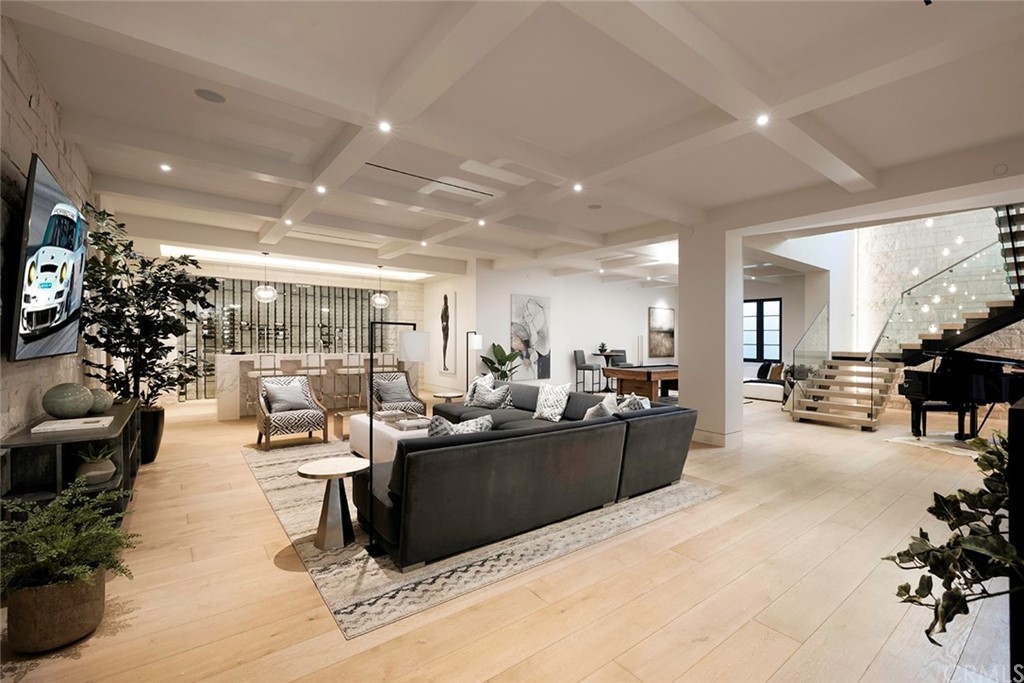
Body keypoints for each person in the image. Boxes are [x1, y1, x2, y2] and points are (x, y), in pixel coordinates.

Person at [440, 294, 450, 372]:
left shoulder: (444, 307)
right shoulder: (445, 307)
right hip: (445, 327)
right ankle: (444, 364)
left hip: (444, 326)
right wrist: (445, 323)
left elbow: (441, 317)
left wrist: (443, 323)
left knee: (445, 343)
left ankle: (444, 364)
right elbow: (443, 317)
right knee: (445, 343)